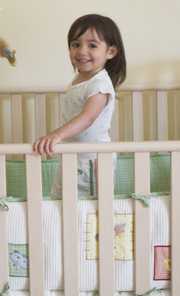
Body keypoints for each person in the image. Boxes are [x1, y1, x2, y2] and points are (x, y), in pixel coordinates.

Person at [33, 14, 126, 196]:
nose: (82, 51)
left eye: (92, 45)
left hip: (92, 159)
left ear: (111, 52)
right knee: (61, 199)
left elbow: (87, 118)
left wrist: (56, 135)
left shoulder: (100, 84)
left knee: (91, 208)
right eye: (76, 44)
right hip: (72, 155)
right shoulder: (81, 79)